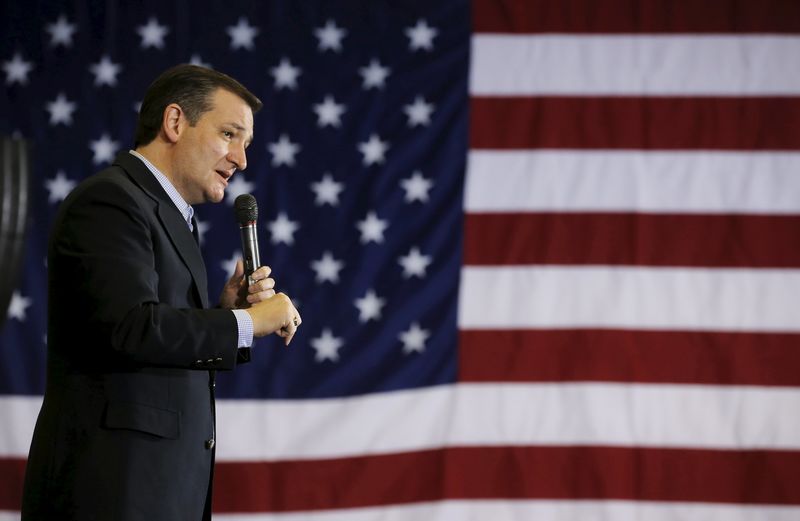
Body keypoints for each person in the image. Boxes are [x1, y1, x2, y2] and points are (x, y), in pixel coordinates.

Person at [21, 64, 301, 520]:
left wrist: (223, 310)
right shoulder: (111, 201)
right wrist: (247, 323)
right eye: (230, 134)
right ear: (175, 122)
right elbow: (130, 327)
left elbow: (150, 342)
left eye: (246, 144)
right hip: (110, 494)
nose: (242, 160)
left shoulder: (169, 215)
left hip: (156, 493)